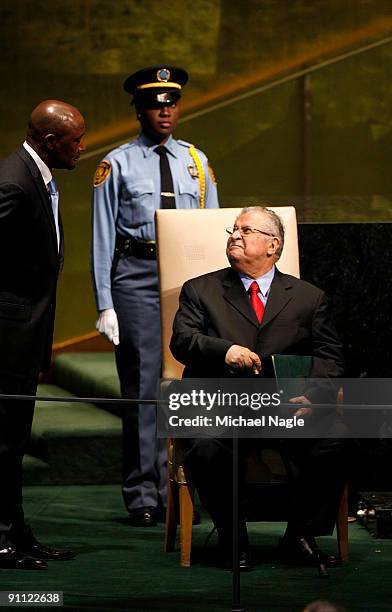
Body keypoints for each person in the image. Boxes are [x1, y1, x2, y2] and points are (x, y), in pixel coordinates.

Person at [170, 206, 347, 572]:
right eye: (233, 229)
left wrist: (316, 396)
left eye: (246, 230)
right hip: (221, 403)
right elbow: (182, 341)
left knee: (337, 437)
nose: (235, 234)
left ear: (273, 244)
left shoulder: (308, 297)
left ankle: (299, 536)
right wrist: (226, 351)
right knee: (204, 445)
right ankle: (233, 538)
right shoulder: (200, 290)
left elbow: (330, 357)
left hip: (285, 406)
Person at [91, 65, 219, 527]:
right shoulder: (117, 163)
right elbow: (102, 235)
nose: (165, 112)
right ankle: (145, 492)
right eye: (155, 105)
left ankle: (192, 489)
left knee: (193, 383)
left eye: (171, 104)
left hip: (190, 279)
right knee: (144, 385)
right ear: (139, 112)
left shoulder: (196, 162)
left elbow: (211, 226)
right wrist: (105, 301)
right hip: (138, 275)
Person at [0, 100, 86, 569]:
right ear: (50, 142)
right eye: (76, 140)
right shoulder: (13, 182)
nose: (83, 147)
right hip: (6, 338)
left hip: (23, 336)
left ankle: (15, 531)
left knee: (13, 441)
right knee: (3, 441)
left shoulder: (36, 177)